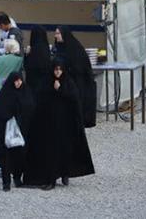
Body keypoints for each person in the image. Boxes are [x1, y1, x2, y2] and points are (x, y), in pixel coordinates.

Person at [24, 59, 95, 189]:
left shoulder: (68, 82)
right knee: (51, 151)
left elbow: (74, 100)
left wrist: (60, 90)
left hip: (65, 125)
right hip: (49, 125)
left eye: (60, 69)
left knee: (64, 149)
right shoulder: (46, 82)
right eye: (56, 69)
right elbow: (40, 100)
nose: (58, 72)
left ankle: (64, 173)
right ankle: (51, 178)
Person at [0, 72, 35, 191]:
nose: (18, 83)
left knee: (20, 155)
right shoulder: (5, 95)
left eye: (20, 80)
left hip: (21, 132)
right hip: (5, 132)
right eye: (16, 80)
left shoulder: (25, 93)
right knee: (5, 157)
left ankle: (17, 178)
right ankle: (6, 182)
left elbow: (30, 108)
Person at [54, 26, 97, 128]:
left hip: (78, 81)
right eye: (55, 33)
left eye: (58, 33)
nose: (56, 36)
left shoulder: (74, 48)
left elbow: (79, 67)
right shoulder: (60, 47)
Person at [24, 26, 51, 93]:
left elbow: (26, 66)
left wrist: (26, 55)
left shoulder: (32, 51)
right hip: (44, 86)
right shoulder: (47, 50)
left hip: (32, 85)